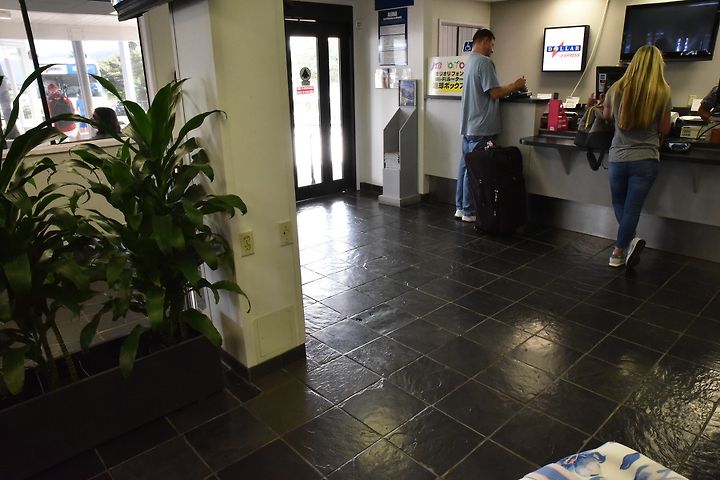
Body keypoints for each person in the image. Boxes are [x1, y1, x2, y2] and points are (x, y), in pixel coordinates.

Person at [601, 45, 672, 269]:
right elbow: (664, 129)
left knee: (618, 202)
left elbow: (606, 116)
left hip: (618, 157)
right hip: (646, 159)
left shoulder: (616, 87)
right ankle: (620, 250)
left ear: (633, 63)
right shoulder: (663, 91)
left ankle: (622, 248)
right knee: (633, 208)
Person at [455, 28, 526, 222]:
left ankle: (460, 207)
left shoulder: (470, 62)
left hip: (469, 126)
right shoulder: (484, 62)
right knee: (475, 171)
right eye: (492, 45)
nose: (492, 50)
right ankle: (469, 212)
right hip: (482, 127)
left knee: (465, 168)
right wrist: (516, 85)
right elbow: (494, 93)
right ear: (484, 41)